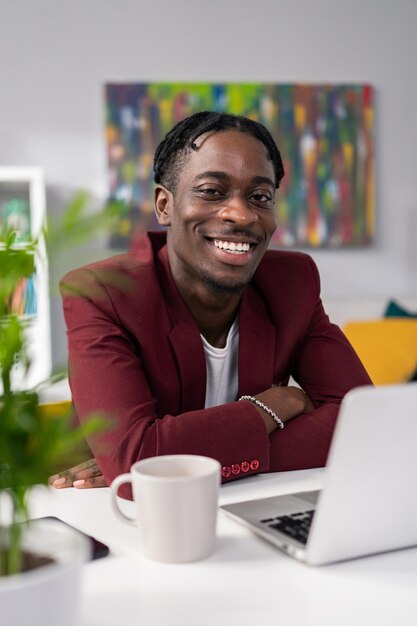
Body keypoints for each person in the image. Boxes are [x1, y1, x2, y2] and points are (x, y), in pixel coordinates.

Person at [50, 111, 371, 490]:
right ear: (164, 205)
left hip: (243, 503)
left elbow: (364, 425)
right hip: (100, 512)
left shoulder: (292, 283)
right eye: (211, 191)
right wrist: (278, 404)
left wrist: (173, 464)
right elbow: (134, 463)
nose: (240, 213)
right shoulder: (102, 293)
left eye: (260, 196)